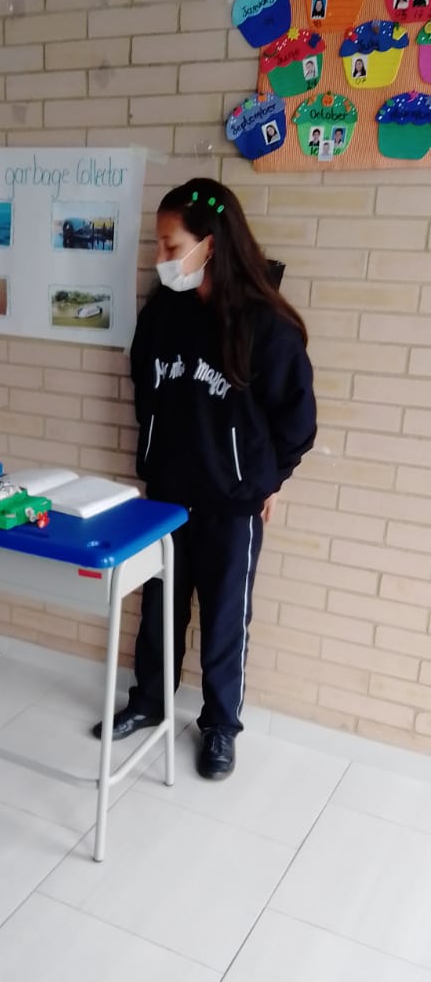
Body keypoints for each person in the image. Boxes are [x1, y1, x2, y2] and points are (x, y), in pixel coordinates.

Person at [92, 178, 316, 780]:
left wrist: (269, 480)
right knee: (159, 609)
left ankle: (220, 726)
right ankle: (149, 701)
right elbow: (144, 387)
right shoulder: (162, 312)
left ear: (208, 245)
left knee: (223, 620)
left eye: (171, 246)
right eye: (159, 246)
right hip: (167, 499)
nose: (160, 259)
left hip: (233, 505)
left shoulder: (265, 324)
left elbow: (297, 421)